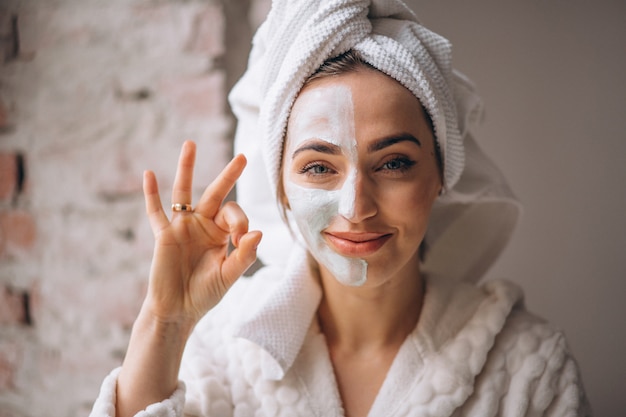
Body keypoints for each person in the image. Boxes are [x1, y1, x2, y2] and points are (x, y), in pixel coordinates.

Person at [90, 1, 591, 416]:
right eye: (318, 168)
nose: (355, 208)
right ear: (280, 185)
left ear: (442, 175)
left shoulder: (529, 367)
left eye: (394, 163)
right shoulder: (219, 353)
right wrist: (165, 322)